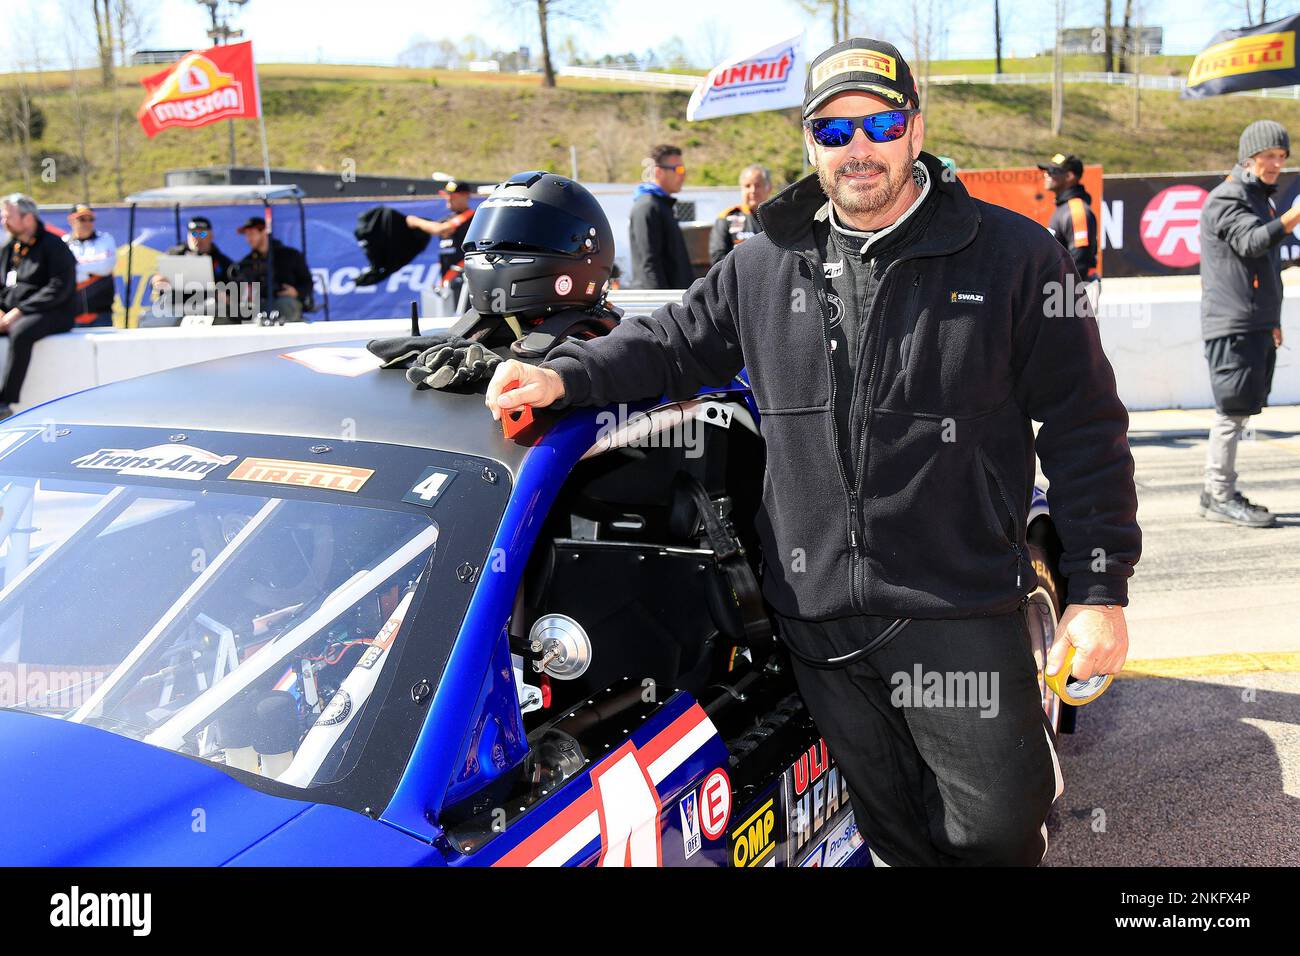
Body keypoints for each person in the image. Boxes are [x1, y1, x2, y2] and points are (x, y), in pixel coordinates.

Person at [486, 37, 1142, 867]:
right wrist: (563, 375)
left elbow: (1086, 427)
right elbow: (672, 343)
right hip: (818, 619)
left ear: (915, 130)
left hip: (959, 609)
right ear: (809, 143)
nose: (858, 148)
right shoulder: (763, 260)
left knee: (996, 834)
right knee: (892, 830)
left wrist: (1099, 589)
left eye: (880, 125)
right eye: (833, 131)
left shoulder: (1014, 256)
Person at [1197, 119, 1299, 528]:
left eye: (1281, 156)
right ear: (1248, 157)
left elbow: (1266, 268)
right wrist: (1294, 216)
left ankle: (1219, 491)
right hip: (1232, 324)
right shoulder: (1227, 198)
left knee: (1239, 412)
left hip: (1253, 323)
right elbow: (1252, 242)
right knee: (1231, 412)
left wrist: (1272, 320)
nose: (1275, 164)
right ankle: (1218, 495)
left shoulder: (1258, 199)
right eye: (1268, 156)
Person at [0, 194, 78, 419]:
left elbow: (59, 287)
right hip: (12, 312)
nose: (4, 222)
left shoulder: (54, 245)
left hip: (52, 312)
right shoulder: (9, 248)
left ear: (28, 218)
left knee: (21, 331)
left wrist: (20, 311)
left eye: (8, 217)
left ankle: (5, 402)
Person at [144, 216, 235, 327]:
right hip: (175, 308)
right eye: (194, 234)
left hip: (209, 311)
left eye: (202, 234)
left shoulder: (223, 262)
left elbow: (233, 294)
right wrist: (157, 281)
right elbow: (156, 279)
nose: (198, 238)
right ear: (188, 236)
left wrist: (225, 297)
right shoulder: (174, 255)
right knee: (148, 319)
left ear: (211, 236)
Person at [628, 144, 694, 289]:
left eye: (684, 170)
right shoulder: (647, 207)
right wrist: (661, 300)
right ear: (658, 172)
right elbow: (649, 264)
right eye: (678, 169)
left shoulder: (663, 205)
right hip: (659, 298)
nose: (683, 175)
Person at [406, 179, 476, 304]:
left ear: (465, 196)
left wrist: (415, 221)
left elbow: (441, 230)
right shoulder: (447, 219)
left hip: (465, 279)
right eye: (447, 195)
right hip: (448, 279)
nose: (448, 199)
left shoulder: (471, 216)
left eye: (452, 196)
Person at [232, 217, 312, 323]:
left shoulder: (290, 255)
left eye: (252, 234)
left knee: (284, 306)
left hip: (286, 302)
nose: (248, 239)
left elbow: (307, 282)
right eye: (246, 235)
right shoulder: (246, 262)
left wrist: (296, 292)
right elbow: (241, 289)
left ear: (264, 232)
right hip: (258, 305)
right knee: (235, 312)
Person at [1039, 153, 1098, 285]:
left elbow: (1080, 258)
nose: (1046, 175)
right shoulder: (1064, 207)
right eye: (1047, 171)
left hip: (1072, 290)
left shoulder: (1076, 210)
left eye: (1052, 171)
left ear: (1069, 176)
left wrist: (1064, 291)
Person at [62, 204, 117, 327]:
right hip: (72, 314)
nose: (87, 223)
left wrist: (77, 266)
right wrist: (92, 267)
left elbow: (106, 266)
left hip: (101, 313)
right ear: (71, 220)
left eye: (90, 219)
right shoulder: (63, 243)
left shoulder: (105, 239)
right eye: (82, 219)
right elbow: (63, 272)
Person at [710, 164, 772, 264]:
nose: (752, 190)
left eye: (757, 185)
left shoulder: (778, 218)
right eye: (747, 186)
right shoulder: (727, 218)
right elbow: (717, 257)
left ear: (769, 188)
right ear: (741, 189)